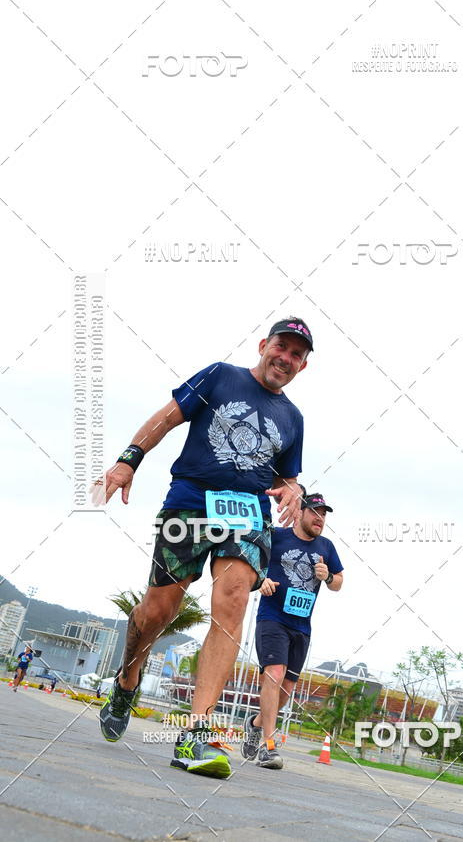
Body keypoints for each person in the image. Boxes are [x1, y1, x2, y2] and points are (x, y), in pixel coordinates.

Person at [94, 317, 313, 779]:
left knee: (231, 601)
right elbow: (168, 416)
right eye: (281, 347)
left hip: (247, 514)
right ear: (263, 345)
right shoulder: (220, 376)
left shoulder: (293, 418)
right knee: (156, 612)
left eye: (297, 354)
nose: (286, 358)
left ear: (303, 365)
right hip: (191, 501)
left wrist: (294, 490)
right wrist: (127, 460)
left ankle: (196, 731)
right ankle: (127, 679)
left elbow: (282, 474)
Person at [242, 492, 343, 769]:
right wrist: (260, 580)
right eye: (315, 512)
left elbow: (339, 583)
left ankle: (254, 723)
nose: (319, 518)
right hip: (272, 618)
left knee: (286, 691)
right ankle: (268, 746)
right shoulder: (276, 536)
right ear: (300, 512)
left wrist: (329, 576)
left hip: (302, 626)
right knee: (273, 675)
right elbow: (250, 564)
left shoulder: (327, 547)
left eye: (324, 514)